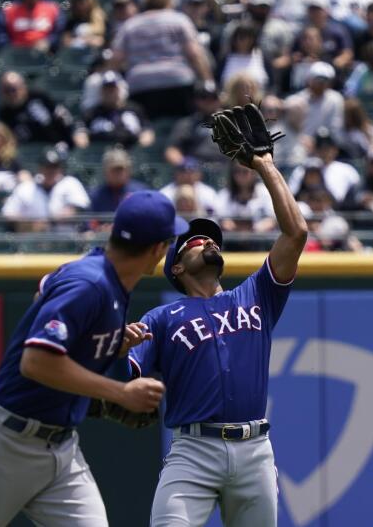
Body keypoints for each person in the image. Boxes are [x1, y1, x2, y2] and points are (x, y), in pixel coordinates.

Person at [125, 122, 308, 526]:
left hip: (255, 449)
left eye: (212, 240)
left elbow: (296, 232)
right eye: (195, 240)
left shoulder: (256, 293)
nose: (208, 242)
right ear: (175, 266)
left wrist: (264, 166)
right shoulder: (162, 317)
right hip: (193, 451)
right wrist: (119, 350)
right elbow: (126, 372)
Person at [0, 188, 188, 526]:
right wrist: (120, 392)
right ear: (157, 248)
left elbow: (46, 287)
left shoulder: (101, 274)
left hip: (62, 450)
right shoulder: (91, 283)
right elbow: (35, 361)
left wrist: (106, 342)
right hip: (7, 444)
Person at [112, 0, 214, 119]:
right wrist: (208, 80)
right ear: (168, 2)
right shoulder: (179, 19)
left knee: (148, 127)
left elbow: (116, 58)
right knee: (180, 124)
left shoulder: (130, 24)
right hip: (177, 82)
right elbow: (194, 54)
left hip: (141, 85)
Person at [2, 146, 90, 232]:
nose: (50, 171)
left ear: (61, 168)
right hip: (32, 241)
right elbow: (9, 214)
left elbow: (79, 209)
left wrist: (49, 222)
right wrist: (31, 224)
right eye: (47, 167)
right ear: (40, 168)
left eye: (54, 167)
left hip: (65, 241)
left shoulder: (70, 183)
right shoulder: (26, 187)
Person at [0, 71, 75, 146]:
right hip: (27, 154)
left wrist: (77, 133)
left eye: (13, 89)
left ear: (23, 87)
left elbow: (63, 116)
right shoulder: (4, 114)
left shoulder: (39, 98)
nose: (11, 94)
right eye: (6, 91)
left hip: (55, 146)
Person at [90, 146, 146, 214]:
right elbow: (90, 222)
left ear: (129, 170)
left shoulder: (140, 193)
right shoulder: (96, 195)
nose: (117, 174)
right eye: (114, 170)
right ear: (105, 171)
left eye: (120, 170)